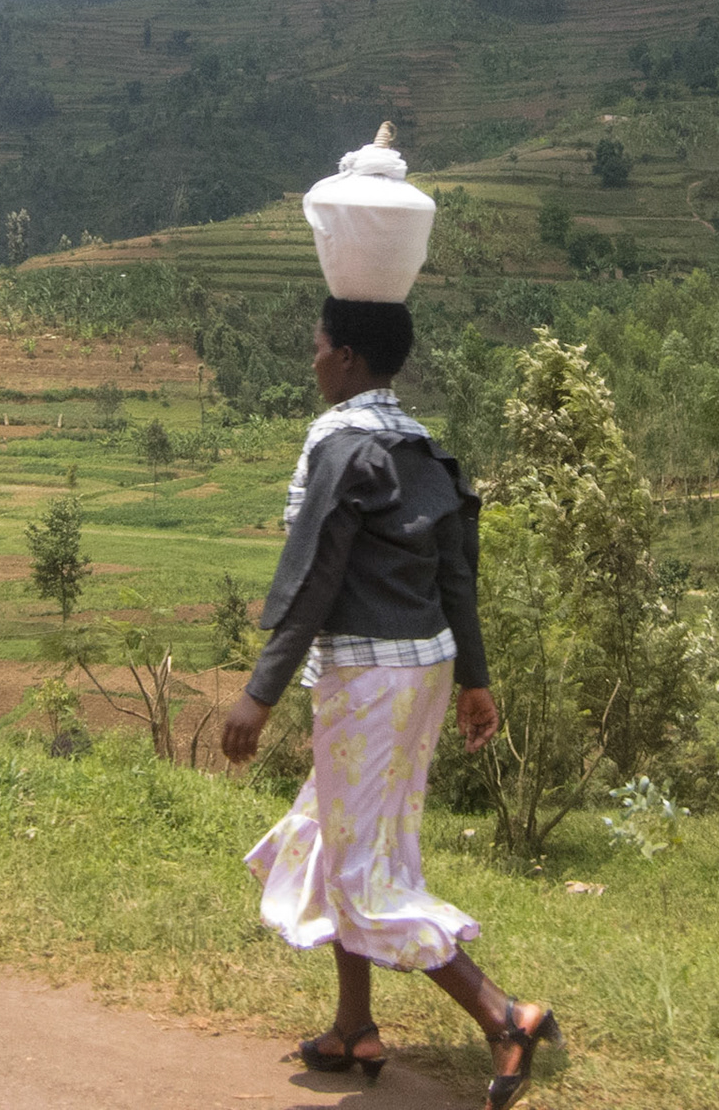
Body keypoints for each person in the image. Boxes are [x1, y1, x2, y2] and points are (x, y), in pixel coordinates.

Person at [222, 297, 559, 1110]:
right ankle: (352, 1026)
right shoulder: (424, 451)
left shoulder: (342, 448)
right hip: (427, 669)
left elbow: (312, 580)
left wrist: (258, 695)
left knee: (361, 865)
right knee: (344, 831)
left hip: (369, 678)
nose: (311, 360)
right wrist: (476, 683)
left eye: (316, 346)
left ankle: (504, 1015)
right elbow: (455, 579)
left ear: (343, 357)